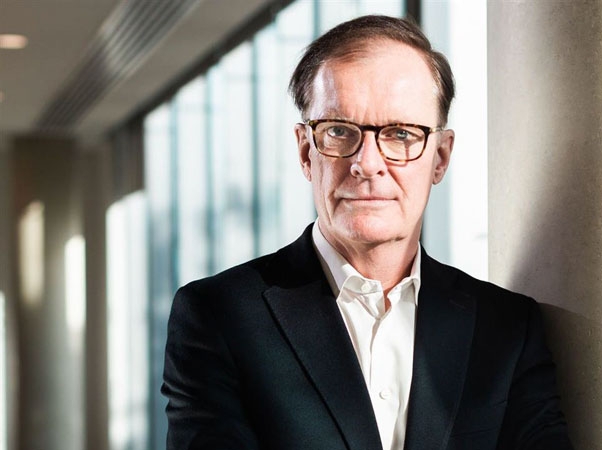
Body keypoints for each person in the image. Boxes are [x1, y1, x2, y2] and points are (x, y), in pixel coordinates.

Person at [162, 14, 573, 450]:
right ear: (305, 151)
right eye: (339, 131)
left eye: (400, 134)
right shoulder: (218, 316)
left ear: (440, 158)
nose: (367, 164)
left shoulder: (506, 328)